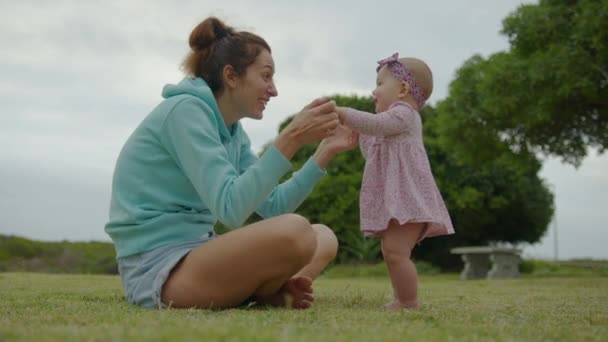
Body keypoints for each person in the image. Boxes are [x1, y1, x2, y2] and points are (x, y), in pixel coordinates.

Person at [105, 17, 358, 310]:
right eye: (266, 76)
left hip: (200, 253)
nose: (273, 90)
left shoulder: (233, 132)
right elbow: (231, 209)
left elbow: (274, 205)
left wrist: (322, 154)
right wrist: (291, 138)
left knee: (323, 237)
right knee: (296, 232)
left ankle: (268, 293)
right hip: (158, 269)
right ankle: (265, 292)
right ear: (231, 76)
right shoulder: (185, 112)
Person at [336, 53, 454, 310]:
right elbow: (373, 151)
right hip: (399, 200)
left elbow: (376, 124)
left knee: (396, 252)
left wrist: (344, 113)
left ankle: (408, 301)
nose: (373, 91)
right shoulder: (392, 124)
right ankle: (402, 299)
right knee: (393, 252)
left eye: (379, 83)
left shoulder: (404, 115)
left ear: (402, 90)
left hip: (408, 199)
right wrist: (357, 132)